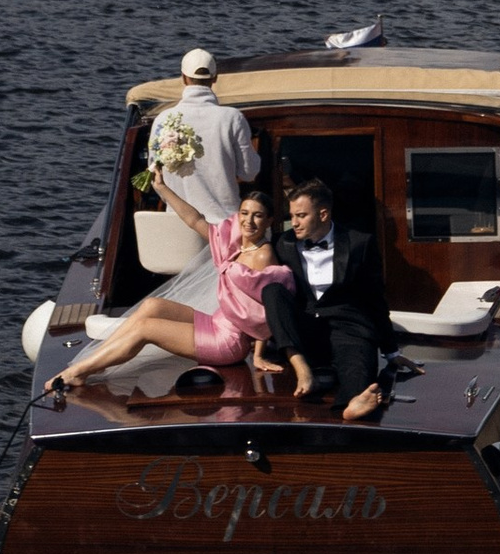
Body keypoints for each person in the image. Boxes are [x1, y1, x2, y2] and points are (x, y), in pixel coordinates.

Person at [48, 182, 305, 399]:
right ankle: (98, 360)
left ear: (270, 220)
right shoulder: (233, 244)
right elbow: (194, 220)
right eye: (244, 213)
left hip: (228, 342)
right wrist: (162, 188)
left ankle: (79, 372)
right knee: (152, 306)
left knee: (146, 329)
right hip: (216, 323)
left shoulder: (263, 255)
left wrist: (258, 354)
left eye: (258, 215)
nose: (249, 221)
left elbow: (267, 309)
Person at [266, 174, 399, 423]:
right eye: (292, 215)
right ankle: (301, 368)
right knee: (271, 290)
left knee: (358, 362)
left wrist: (391, 352)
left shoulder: (360, 243)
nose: (293, 222)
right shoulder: (283, 244)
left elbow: (376, 299)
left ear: (324, 214)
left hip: (347, 326)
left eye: (301, 216)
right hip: (305, 327)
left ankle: (351, 404)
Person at [151, 46, 256, 224]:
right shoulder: (232, 118)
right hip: (222, 226)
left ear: (183, 78)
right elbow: (249, 173)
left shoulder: (163, 119)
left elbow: (155, 176)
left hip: (176, 224)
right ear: (215, 78)